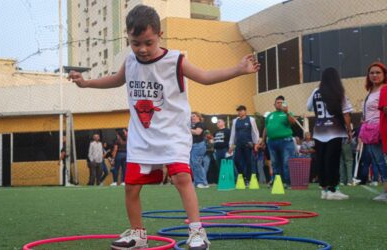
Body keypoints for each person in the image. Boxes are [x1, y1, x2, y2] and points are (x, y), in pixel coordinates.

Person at [68, 4, 260, 250]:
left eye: (148, 42)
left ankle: (196, 231)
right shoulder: (130, 62)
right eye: (136, 43)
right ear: (128, 38)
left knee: (182, 177)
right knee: (131, 186)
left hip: (172, 134)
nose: (142, 49)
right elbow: (115, 80)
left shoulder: (175, 60)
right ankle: (138, 235)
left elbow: (205, 76)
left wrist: (238, 69)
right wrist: (86, 83)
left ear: (159, 35)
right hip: (141, 136)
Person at [307, 67, 353, 200]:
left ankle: (324, 189)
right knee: (332, 160)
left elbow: (308, 106)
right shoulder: (339, 92)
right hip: (336, 130)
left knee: (321, 159)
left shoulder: (316, 91)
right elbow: (346, 113)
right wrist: (349, 130)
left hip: (319, 130)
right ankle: (333, 189)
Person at [260, 96, 296, 187]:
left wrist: (287, 112)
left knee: (286, 162)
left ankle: (287, 182)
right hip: (272, 142)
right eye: (278, 102)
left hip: (286, 142)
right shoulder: (270, 115)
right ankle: (276, 182)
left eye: (281, 102)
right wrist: (263, 140)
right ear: (274, 104)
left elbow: (293, 122)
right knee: (275, 163)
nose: (279, 104)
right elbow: (266, 128)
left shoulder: (288, 113)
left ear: (284, 104)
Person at [364, 61, 387, 201]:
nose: (374, 75)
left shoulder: (385, 89)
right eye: (372, 72)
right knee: (378, 160)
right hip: (370, 130)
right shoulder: (370, 91)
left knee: (382, 160)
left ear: (384, 74)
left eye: (378, 72)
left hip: (381, 128)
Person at [228, 105, 260, 186]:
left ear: (245, 111)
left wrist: (256, 143)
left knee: (248, 162)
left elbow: (255, 132)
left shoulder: (251, 119)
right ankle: (243, 177)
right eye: (238, 111)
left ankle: (249, 180)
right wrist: (231, 145)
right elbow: (233, 133)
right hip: (238, 144)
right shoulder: (235, 121)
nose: (239, 112)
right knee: (236, 161)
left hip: (248, 144)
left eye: (241, 110)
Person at [190, 112, 209, 188]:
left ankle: (203, 182)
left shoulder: (200, 124)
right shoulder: (191, 125)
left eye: (194, 116)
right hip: (193, 146)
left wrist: (186, 129)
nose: (192, 118)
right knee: (193, 164)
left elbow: (198, 132)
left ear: (198, 117)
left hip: (199, 145)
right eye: (191, 117)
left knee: (196, 163)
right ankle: (198, 182)